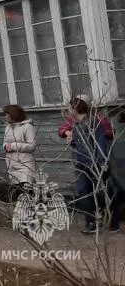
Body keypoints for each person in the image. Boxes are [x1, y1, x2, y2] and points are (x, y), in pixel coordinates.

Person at [59, 97, 117, 233]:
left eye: (69, 108)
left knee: (103, 192)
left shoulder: (95, 123)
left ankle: (113, 221)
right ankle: (91, 222)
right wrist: (71, 140)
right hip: (81, 164)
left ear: (75, 108)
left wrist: (102, 163)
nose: (67, 111)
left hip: (96, 164)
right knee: (83, 191)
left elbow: (101, 144)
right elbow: (79, 144)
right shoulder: (75, 125)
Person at [1, 105, 36, 187]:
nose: (5, 117)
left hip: (25, 164)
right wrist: (5, 146)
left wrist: (13, 146)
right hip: (12, 164)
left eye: (7, 114)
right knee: (15, 190)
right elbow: (5, 143)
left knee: (26, 189)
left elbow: (32, 146)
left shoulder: (27, 127)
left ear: (13, 114)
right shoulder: (8, 127)